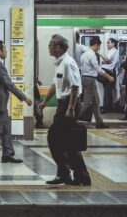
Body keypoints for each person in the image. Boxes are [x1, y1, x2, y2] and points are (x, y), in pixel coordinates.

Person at [38, 34, 91, 186]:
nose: (48, 47)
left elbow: (75, 86)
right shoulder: (60, 63)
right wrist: (44, 102)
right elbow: (56, 85)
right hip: (64, 104)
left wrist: (71, 108)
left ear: (58, 48)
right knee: (65, 141)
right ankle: (73, 175)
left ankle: (69, 174)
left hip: (69, 104)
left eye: (50, 44)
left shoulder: (68, 63)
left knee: (56, 138)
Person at [78, 36, 113, 129]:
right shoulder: (91, 55)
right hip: (89, 80)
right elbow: (98, 69)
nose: (99, 48)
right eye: (99, 46)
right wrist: (109, 77)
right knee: (87, 102)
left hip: (86, 79)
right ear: (96, 45)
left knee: (96, 102)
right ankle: (72, 119)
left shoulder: (84, 54)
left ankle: (99, 123)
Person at [101, 38, 120, 112]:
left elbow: (106, 60)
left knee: (107, 91)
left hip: (109, 72)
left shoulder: (113, 51)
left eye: (108, 42)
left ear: (113, 43)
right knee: (108, 90)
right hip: (110, 71)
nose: (107, 44)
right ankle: (110, 107)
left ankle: (106, 108)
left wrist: (100, 54)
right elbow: (105, 61)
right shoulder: (112, 51)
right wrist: (106, 61)